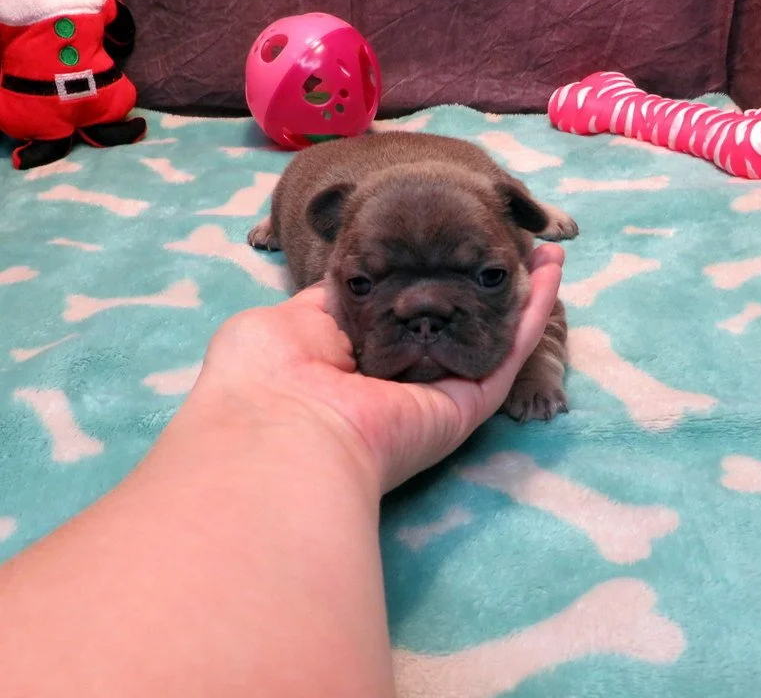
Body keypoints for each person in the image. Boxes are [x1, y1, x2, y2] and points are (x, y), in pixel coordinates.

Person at [0, 244, 564, 697]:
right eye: (363, 285)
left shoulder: (505, 240)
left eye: (488, 278)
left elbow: (543, 309)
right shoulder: (330, 262)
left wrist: (537, 364)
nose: (423, 318)